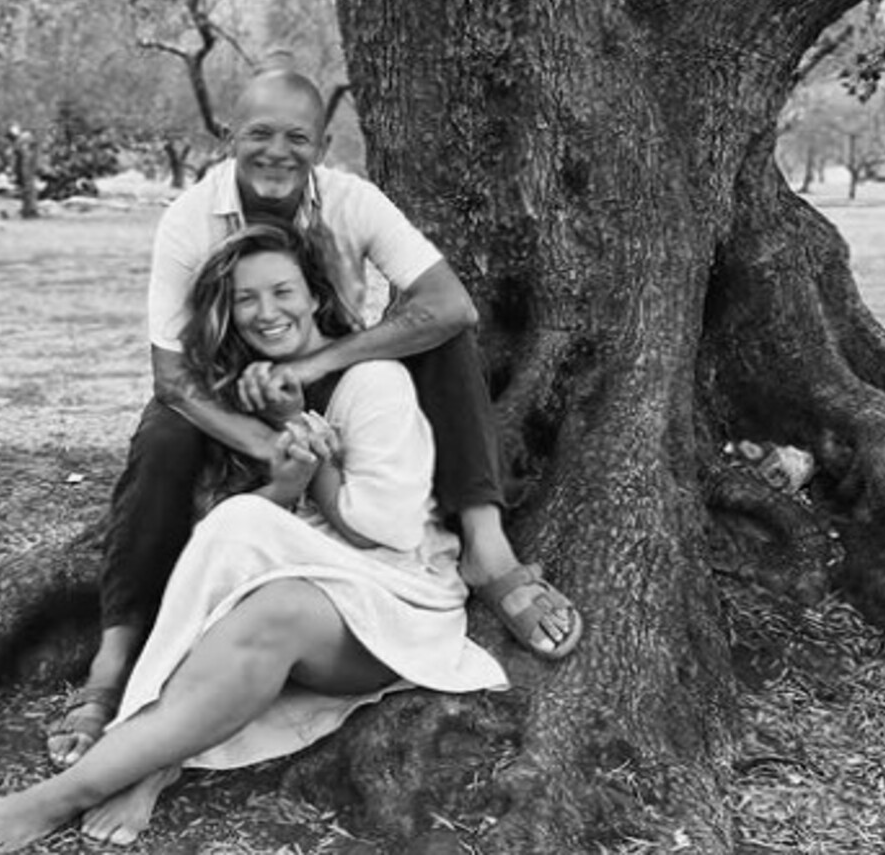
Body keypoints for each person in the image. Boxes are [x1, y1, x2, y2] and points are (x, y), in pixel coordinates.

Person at [45, 68, 580, 770]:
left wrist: (313, 366)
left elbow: (452, 305)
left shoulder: (353, 202)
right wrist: (270, 444)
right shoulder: (189, 220)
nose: (278, 151)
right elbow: (172, 378)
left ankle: (488, 547)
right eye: (260, 133)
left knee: (445, 340)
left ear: (323, 146)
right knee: (163, 435)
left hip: (325, 366)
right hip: (227, 385)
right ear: (229, 136)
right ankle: (112, 664)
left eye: (297, 137)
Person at [0, 224, 509, 853]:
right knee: (248, 583)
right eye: (247, 299)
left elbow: (386, 528)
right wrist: (290, 479)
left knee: (251, 557)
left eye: (283, 291)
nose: (267, 312)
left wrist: (307, 451)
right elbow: (265, 531)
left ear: (315, 295)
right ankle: (153, 762)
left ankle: (62, 794)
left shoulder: (373, 379)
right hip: (310, 584)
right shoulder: (254, 390)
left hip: (396, 599)